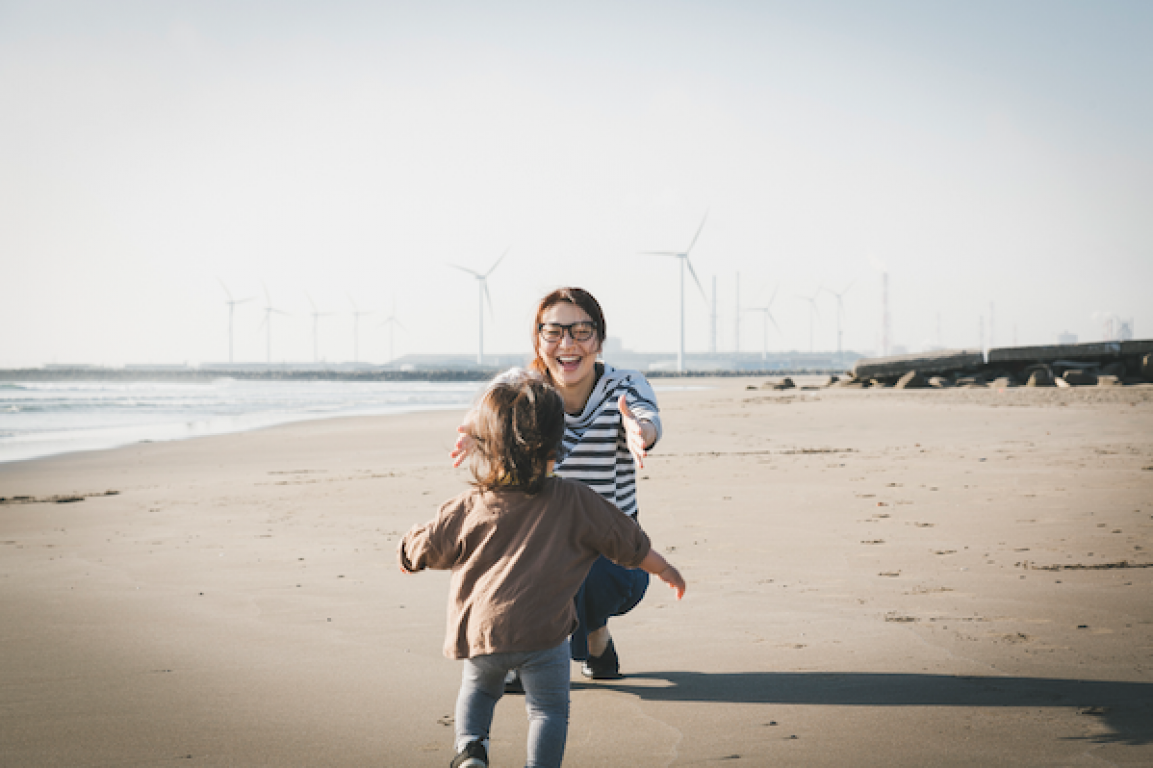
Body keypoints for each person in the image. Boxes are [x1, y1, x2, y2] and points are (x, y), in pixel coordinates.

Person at [400, 376, 686, 768]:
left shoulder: (470, 505)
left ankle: (470, 750)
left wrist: (407, 554)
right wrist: (664, 568)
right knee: (547, 711)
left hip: (483, 632)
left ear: (487, 446)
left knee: (479, 691)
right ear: (556, 448)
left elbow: (428, 546)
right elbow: (627, 540)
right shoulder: (575, 500)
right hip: (546, 636)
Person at [451, 287, 663, 680]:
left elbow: (646, 416)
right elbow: (487, 406)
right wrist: (476, 429)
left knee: (585, 566)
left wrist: (639, 431)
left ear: (599, 340)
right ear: (538, 340)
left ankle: (584, 636)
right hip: (537, 555)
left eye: (582, 331)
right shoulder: (524, 389)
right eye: (554, 332)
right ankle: (539, 648)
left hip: (616, 563)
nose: (567, 343)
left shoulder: (625, 384)